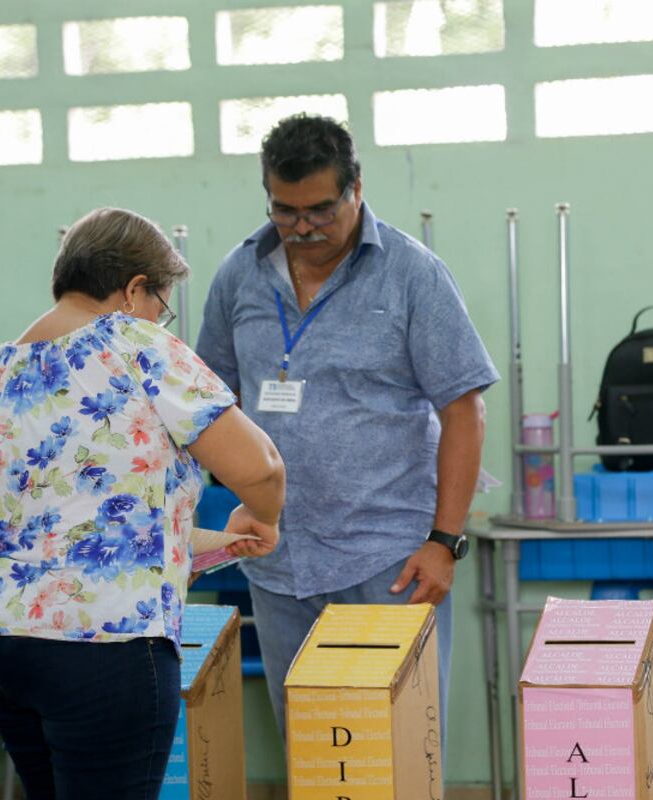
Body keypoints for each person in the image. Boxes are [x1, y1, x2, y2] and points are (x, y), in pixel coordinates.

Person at [0, 207, 285, 800]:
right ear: (135, 289)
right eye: (164, 302)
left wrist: (219, 543)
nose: (163, 317)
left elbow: (76, 521)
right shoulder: (133, 340)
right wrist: (263, 516)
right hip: (101, 645)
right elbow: (260, 466)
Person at [196, 114, 499, 746]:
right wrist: (226, 506)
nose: (303, 227)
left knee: (395, 753)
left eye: (320, 210)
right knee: (314, 753)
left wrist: (445, 541)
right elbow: (209, 406)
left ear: (356, 188)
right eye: (286, 210)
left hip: (387, 560)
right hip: (278, 562)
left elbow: (463, 410)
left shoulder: (413, 275)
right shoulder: (238, 277)